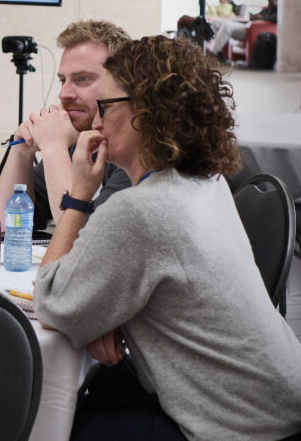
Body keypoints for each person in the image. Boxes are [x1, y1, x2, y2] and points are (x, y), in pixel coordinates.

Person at [35, 36, 301, 440]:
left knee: (72, 420)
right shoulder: (204, 182)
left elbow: (52, 304)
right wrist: (107, 311)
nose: (95, 123)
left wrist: (78, 196)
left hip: (232, 427)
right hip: (277, 403)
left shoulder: (140, 210)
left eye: (105, 107)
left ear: (146, 112)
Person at [0, 20, 132, 231]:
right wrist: (21, 151)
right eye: (62, 81)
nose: (63, 94)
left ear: (122, 83)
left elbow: (86, 244)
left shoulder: (138, 154)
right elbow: (9, 226)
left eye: (83, 79)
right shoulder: (80, 137)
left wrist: (53, 146)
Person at [209, 0, 279, 58]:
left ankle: (213, 53)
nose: (268, 2)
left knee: (227, 26)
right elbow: (257, 16)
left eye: (270, 0)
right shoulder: (267, 9)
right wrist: (253, 17)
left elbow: (274, 19)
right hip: (247, 24)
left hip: (250, 29)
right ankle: (219, 52)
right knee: (215, 22)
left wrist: (262, 18)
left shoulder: (279, 11)